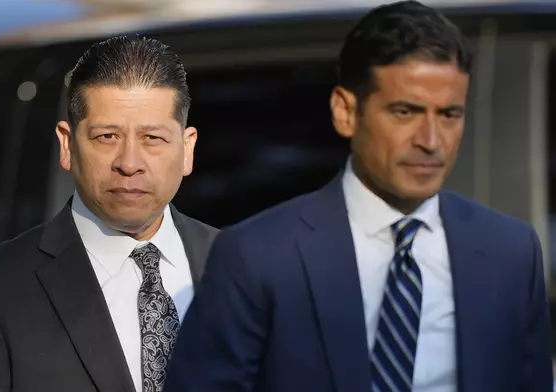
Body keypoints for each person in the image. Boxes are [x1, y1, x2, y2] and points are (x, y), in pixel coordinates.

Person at [164, 1, 553, 391]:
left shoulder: (511, 252)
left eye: (449, 114)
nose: (431, 141)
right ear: (345, 111)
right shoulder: (257, 257)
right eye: (405, 112)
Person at [0, 36, 218, 392]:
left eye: (152, 138)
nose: (129, 163)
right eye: (107, 136)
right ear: (67, 145)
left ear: (187, 149)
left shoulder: (243, 266)